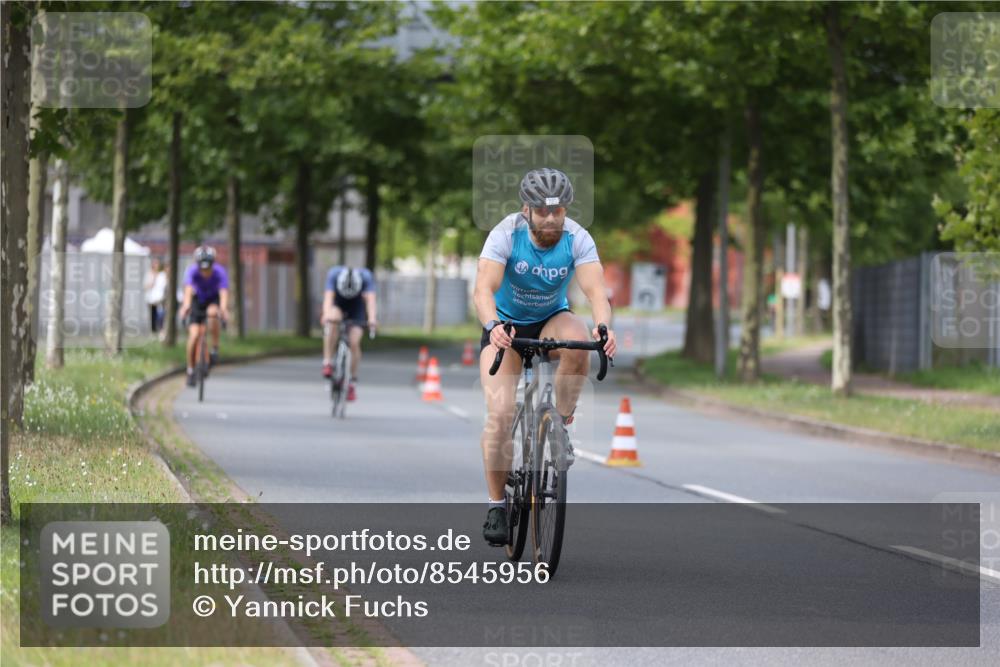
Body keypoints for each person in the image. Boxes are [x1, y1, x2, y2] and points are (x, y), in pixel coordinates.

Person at [474, 167, 617, 545]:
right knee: (501, 416)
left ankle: (562, 426)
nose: (552, 219)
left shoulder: (577, 238)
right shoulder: (505, 233)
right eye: (543, 212)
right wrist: (492, 326)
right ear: (527, 209)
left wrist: (605, 327)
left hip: (552, 318)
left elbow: (596, 291)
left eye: (559, 211)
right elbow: (483, 289)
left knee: (579, 340)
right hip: (506, 327)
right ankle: (496, 506)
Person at [321, 265, 377, 401]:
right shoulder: (334, 274)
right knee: (332, 321)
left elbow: (371, 301)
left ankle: (351, 381)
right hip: (338, 304)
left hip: (357, 306)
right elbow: (328, 298)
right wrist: (326, 314)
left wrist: (372, 319)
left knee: (354, 341)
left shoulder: (366, 277)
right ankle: (327, 362)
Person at [178, 246, 229, 387]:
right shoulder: (192, 271)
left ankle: (214, 348)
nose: (205, 272)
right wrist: (185, 306)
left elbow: (223, 293)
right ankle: (190, 369)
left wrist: (223, 310)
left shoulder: (220, 272)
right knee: (194, 336)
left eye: (208, 268)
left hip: (213, 300)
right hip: (197, 301)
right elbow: (188, 291)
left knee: (212, 313)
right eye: (202, 268)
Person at [144, 258, 167, 334]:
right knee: (153, 315)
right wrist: (153, 279)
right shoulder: (149, 274)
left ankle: (160, 329)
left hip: (160, 299)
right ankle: (153, 330)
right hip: (151, 299)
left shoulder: (162, 275)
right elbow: (146, 286)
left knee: (161, 314)